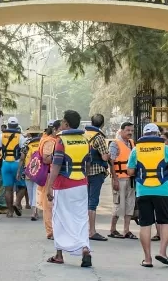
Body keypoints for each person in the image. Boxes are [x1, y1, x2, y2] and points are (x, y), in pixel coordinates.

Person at [127, 123, 168, 267]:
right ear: (157, 134)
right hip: (162, 190)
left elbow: (130, 172)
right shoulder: (165, 149)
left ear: (143, 134)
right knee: (165, 221)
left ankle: (147, 259)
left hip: (143, 190)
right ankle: (162, 252)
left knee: (145, 224)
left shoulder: (136, 150)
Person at [46, 110, 93, 267]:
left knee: (59, 218)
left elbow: (56, 165)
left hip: (63, 185)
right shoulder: (85, 140)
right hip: (81, 184)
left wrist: (49, 186)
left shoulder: (61, 142)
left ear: (66, 124)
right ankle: (85, 248)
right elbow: (88, 164)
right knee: (80, 218)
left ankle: (59, 254)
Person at [108, 121, 136, 239]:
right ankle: (113, 229)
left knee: (130, 205)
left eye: (131, 131)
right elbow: (111, 161)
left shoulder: (132, 143)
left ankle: (126, 230)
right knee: (118, 204)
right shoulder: (115, 144)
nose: (130, 133)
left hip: (131, 179)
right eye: (127, 130)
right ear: (122, 130)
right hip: (119, 178)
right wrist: (114, 179)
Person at [84, 114, 110, 242]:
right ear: (102, 124)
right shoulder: (98, 137)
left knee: (85, 201)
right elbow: (105, 157)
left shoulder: (83, 135)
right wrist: (110, 154)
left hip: (83, 173)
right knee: (93, 203)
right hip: (96, 172)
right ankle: (92, 231)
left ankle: (84, 229)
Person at [0, 117, 28, 217]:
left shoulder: (2, 135)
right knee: (23, 186)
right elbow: (23, 153)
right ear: (17, 125)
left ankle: (10, 211)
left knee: (8, 189)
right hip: (17, 163)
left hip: (5, 165)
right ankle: (17, 202)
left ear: (8, 125)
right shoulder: (21, 137)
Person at [37, 120, 60, 239]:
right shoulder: (50, 142)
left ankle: (54, 230)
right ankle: (50, 231)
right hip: (49, 175)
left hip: (54, 175)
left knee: (53, 204)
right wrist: (61, 157)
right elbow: (46, 159)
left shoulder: (52, 140)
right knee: (49, 205)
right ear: (55, 130)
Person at [17, 127, 43, 221]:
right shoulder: (42, 142)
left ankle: (33, 211)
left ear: (30, 134)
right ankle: (34, 212)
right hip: (39, 170)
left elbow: (22, 158)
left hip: (28, 170)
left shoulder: (26, 143)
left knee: (30, 191)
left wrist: (19, 171)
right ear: (39, 134)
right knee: (37, 191)